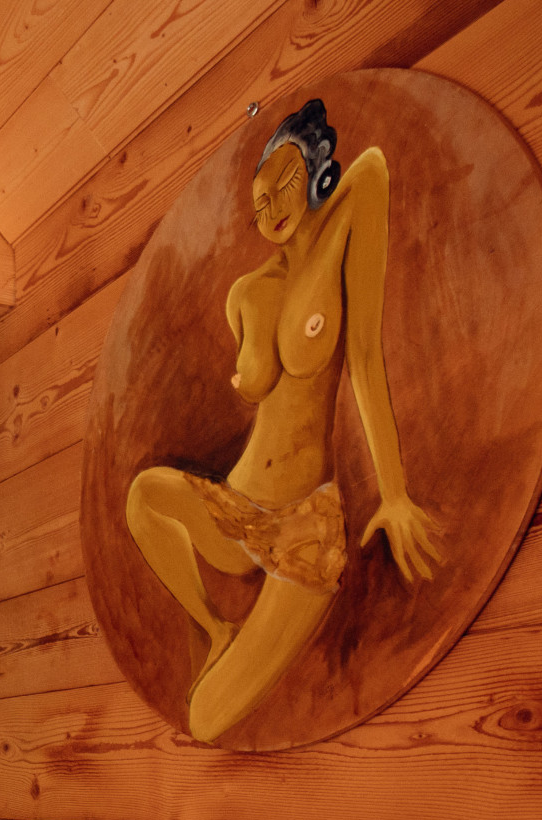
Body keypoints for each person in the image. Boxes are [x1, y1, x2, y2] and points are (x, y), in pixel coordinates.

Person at [124, 99, 441, 743]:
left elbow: (364, 360)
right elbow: (259, 383)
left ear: (318, 175)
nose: (270, 209)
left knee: (205, 718)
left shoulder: (343, 226)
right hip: (236, 506)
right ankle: (216, 627)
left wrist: (394, 493)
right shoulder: (245, 293)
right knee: (143, 496)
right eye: (259, 202)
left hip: (303, 522)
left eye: (285, 185)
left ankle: (234, 635)